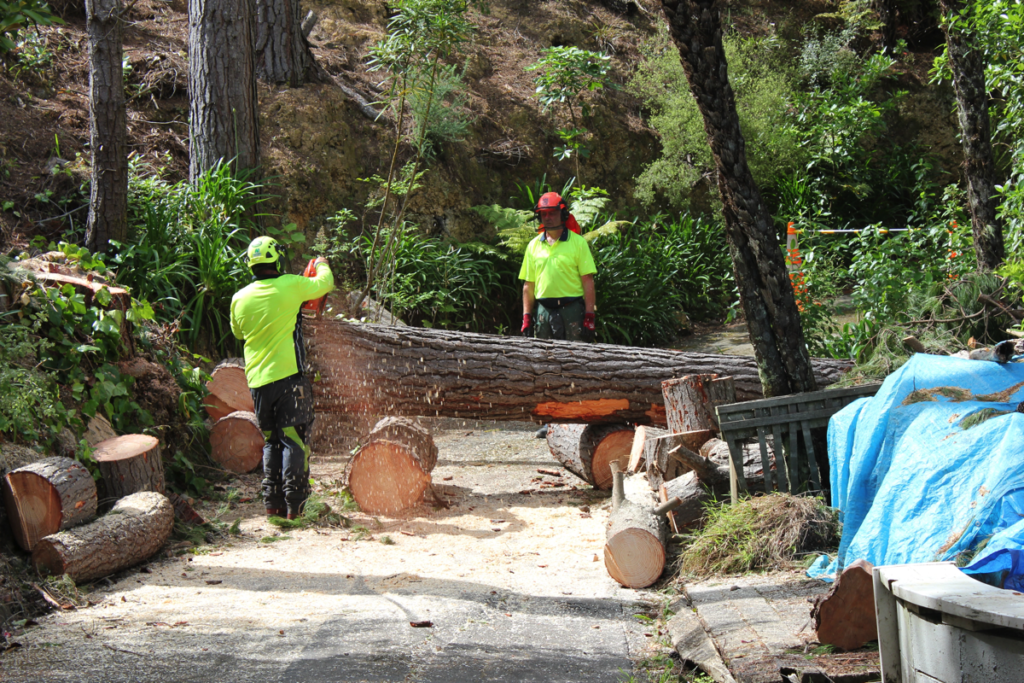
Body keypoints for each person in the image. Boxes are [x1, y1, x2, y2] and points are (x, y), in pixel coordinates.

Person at [230, 236, 334, 519]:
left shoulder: (239, 298)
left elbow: (239, 333)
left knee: (272, 442)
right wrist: (322, 264)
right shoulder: (290, 284)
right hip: (290, 379)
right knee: (294, 440)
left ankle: (272, 505)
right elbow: (325, 284)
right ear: (276, 260)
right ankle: (296, 506)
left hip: (258, 384)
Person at [519, 191, 598, 438]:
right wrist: (527, 316)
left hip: (572, 309)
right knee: (545, 365)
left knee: (577, 362)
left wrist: (589, 314)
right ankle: (549, 420)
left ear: (563, 214)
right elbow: (528, 285)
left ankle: (579, 417)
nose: (549, 217)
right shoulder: (534, 245)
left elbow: (588, 282)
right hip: (543, 310)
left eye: (553, 213)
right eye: (544, 214)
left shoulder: (577, 243)